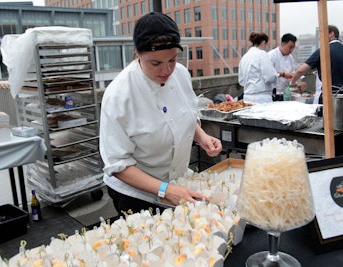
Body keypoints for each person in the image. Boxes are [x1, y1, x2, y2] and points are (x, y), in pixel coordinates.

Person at [99, 12, 223, 216]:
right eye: (155, 63)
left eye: (172, 60)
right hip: (136, 194)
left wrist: (202, 137)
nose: (166, 70)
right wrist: (164, 189)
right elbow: (118, 165)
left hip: (179, 183)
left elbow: (184, 114)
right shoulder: (118, 96)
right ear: (138, 53)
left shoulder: (181, 74)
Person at [290, 25, 343, 104]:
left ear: (331, 34)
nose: (319, 38)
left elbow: (300, 71)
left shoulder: (323, 51)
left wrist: (292, 83)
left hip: (326, 97)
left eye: (321, 35)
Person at [238, 32, 278, 103]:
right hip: (262, 98)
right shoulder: (262, 54)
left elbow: (241, 81)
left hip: (247, 98)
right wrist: (277, 75)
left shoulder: (244, 57)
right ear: (264, 42)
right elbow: (270, 77)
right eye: (266, 45)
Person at [268, 33, 297, 101]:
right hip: (273, 92)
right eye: (290, 47)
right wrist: (283, 74)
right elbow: (269, 74)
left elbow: (292, 73)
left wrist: (295, 80)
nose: (291, 50)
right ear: (283, 44)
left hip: (285, 92)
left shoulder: (290, 58)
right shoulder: (271, 56)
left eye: (293, 48)